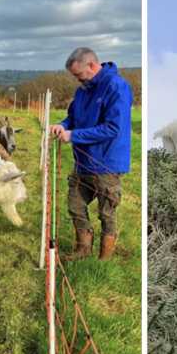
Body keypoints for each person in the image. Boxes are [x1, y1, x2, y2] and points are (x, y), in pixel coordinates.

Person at [50, 47, 133, 260]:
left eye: (78, 74)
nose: (77, 80)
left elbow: (113, 128)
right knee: (74, 205)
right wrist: (62, 125)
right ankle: (82, 250)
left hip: (107, 163)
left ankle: (104, 261)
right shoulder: (82, 91)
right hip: (83, 162)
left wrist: (74, 135)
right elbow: (72, 118)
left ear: (92, 65)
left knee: (107, 214)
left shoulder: (117, 87)